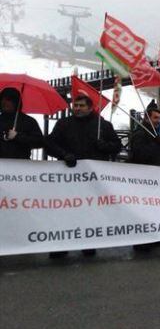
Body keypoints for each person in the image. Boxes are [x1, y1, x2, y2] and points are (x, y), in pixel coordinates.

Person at [46, 94, 122, 258]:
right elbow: (49, 145)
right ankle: (60, 245)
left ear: (90, 107)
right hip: (68, 175)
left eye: (81, 105)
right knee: (65, 210)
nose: (77, 108)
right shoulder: (63, 124)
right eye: (75, 105)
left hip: (93, 178)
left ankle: (88, 243)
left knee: (90, 210)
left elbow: (117, 146)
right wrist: (64, 154)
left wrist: (105, 146)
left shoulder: (103, 125)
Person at [128, 104, 160, 251]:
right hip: (144, 178)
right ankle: (142, 241)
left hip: (156, 177)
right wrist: (155, 144)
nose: (158, 121)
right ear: (147, 118)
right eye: (155, 118)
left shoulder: (154, 133)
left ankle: (153, 237)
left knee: (154, 210)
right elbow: (140, 155)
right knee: (144, 211)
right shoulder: (141, 134)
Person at [0, 87, 44, 159]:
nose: (4, 102)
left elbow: (40, 142)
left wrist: (18, 136)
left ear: (16, 102)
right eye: (2, 99)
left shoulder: (29, 121)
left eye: (8, 100)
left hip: (21, 165)